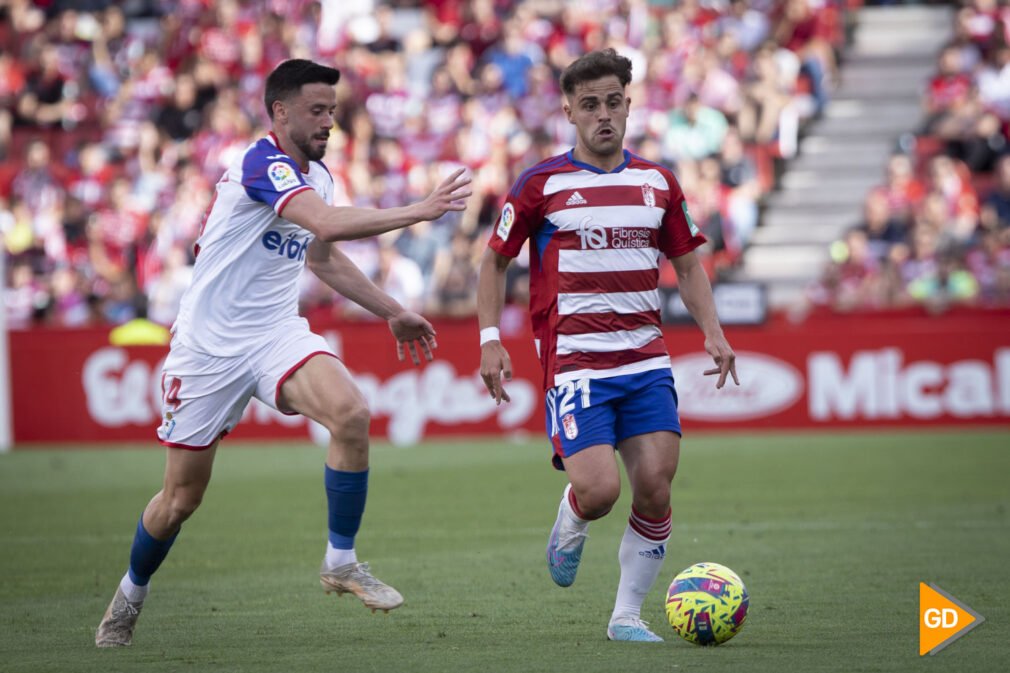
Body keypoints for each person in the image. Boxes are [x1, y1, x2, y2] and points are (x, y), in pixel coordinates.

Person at [95, 59, 471, 647]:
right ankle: (130, 594)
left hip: (274, 333)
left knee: (351, 414)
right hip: (207, 349)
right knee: (180, 500)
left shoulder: (317, 176)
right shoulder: (260, 163)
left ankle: (340, 561)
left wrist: (391, 310)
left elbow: (320, 257)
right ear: (281, 112)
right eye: (317, 111)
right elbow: (324, 223)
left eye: (332, 111)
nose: (328, 122)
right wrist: (418, 210)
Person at [476, 49, 738, 643]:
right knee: (600, 492)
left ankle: (626, 617)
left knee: (655, 486)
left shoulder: (656, 183)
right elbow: (493, 265)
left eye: (613, 102)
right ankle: (573, 514)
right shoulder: (541, 185)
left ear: (628, 104)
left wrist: (713, 331)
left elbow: (688, 266)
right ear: (569, 110)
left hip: (645, 359)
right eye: (589, 104)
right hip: (576, 362)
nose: (603, 115)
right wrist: (490, 338)